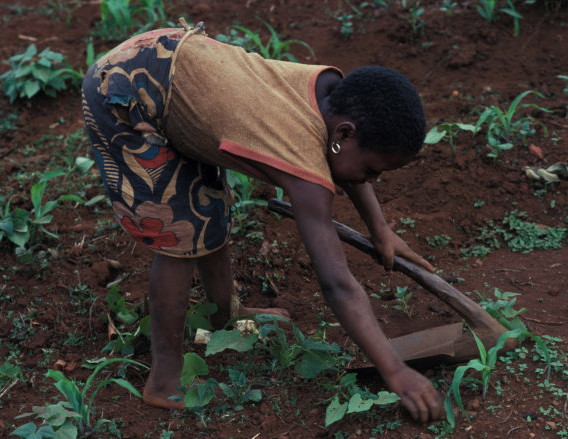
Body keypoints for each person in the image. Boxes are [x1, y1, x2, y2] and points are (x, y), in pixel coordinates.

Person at [81, 20, 443, 422]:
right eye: (374, 170)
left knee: (209, 209)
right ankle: (164, 380)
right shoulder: (303, 162)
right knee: (178, 236)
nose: (371, 181)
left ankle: (223, 316)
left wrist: (381, 230)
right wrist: (396, 371)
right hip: (127, 94)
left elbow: (345, 161)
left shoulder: (328, 93)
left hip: (175, 69)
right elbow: (337, 283)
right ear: (344, 131)